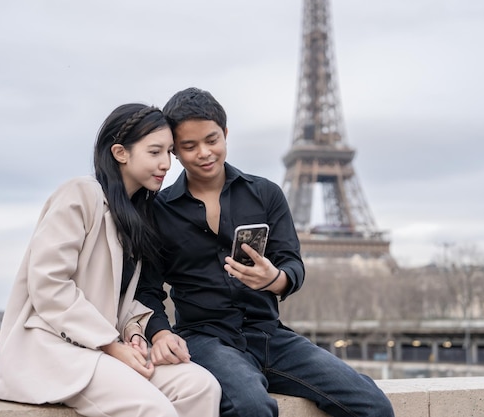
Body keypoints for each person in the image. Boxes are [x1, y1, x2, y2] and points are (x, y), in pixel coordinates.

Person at [135, 88, 395, 417]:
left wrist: (274, 278)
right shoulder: (158, 211)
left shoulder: (266, 194)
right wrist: (159, 332)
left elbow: (292, 265)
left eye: (212, 140)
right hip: (206, 339)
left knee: (373, 405)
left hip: (271, 335)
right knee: (251, 407)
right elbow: (147, 289)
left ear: (226, 134)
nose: (204, 153)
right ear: (174, 151)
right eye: (189, 146)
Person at [0, 103, 221, 417]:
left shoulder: (137, 214)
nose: (166, 163)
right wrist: (112, 345)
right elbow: (49, 286)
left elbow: (119, 299)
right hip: (54, 351)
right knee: (153, 410)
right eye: (154, 152)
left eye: (169, 152)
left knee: (201, 386)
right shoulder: (79, 194)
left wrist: (135, 334)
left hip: (104, 349)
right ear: (120, 153)